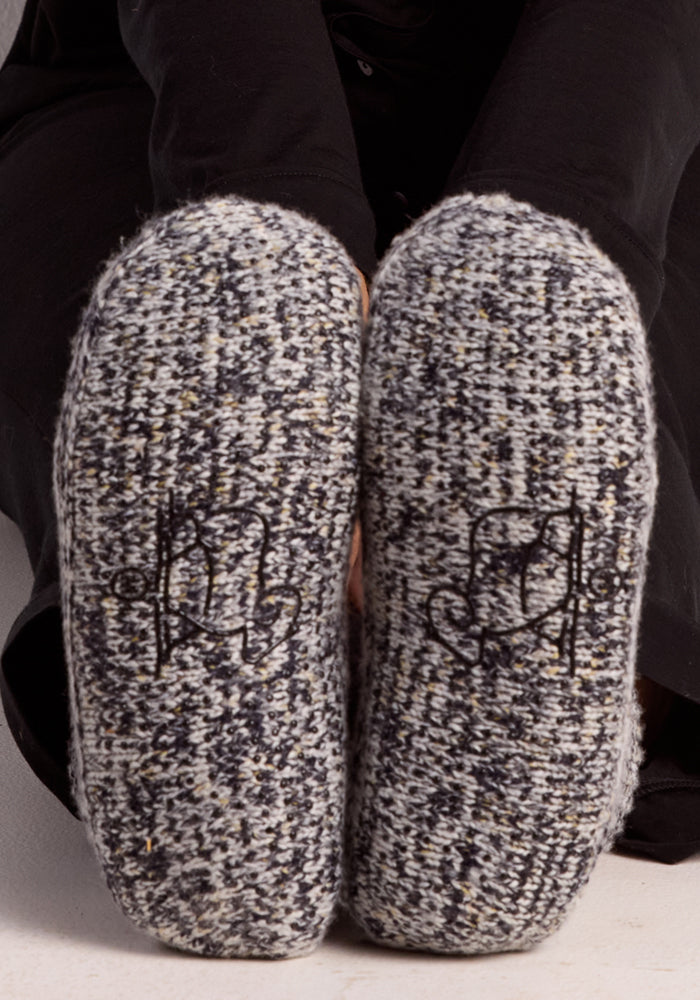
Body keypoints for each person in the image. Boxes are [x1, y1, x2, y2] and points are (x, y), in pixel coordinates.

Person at [1, 0, 700, 960]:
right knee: (183, 326)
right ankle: (420, 671)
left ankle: (522, 684)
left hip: (644, 103)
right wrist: (284, 219)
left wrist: (549, 241)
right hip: (156, 75)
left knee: (573, 350)